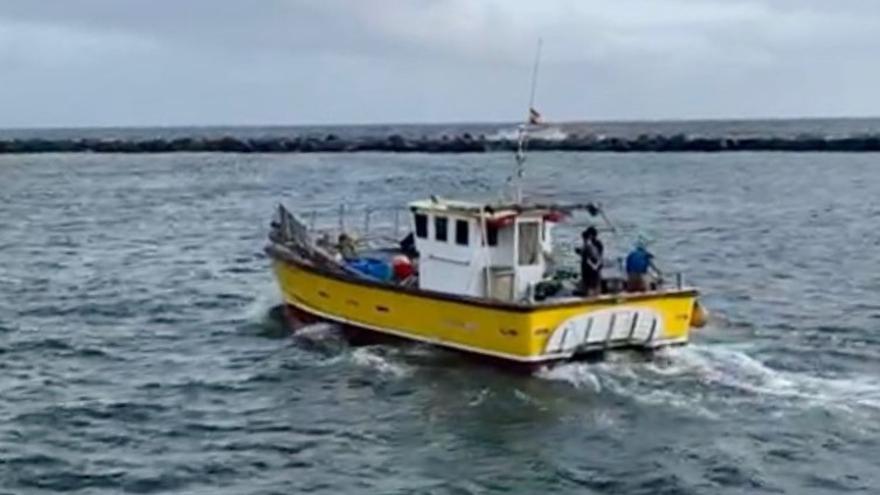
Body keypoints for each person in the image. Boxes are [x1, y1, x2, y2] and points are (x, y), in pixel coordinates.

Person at [576, 226, 603, 296]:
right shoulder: (592, 245)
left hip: (590, 271)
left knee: (590, 288)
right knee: (593, 287)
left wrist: (594, 267)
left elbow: (592, 257)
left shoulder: (592, 245)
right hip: (592, 270)